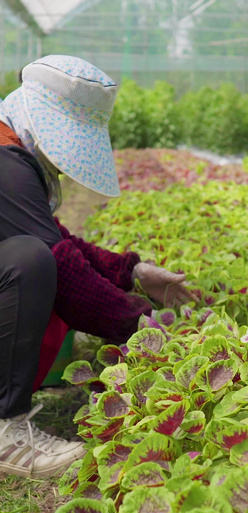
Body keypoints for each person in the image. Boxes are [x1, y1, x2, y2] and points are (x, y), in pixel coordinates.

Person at [0, 55, 196, 478]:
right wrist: (148, 325)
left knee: (36, 252)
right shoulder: (6, 165)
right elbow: (62, 269)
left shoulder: (9, 148)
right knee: (30, 262)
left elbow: (59, 240)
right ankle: (4, 430)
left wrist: (134, 272)